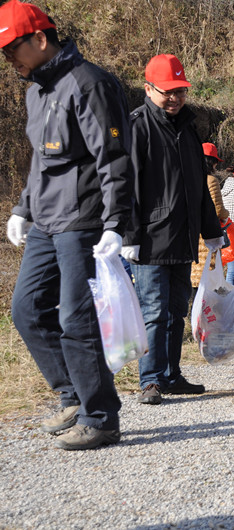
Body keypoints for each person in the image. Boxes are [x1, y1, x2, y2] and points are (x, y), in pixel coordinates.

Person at [3, 0, 132, 450]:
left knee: (76, 318)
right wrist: (22, 208)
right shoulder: (35, 91)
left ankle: (101, 417)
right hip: (45, 219)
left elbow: (113, 158)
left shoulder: (89, 83)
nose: (9, 60)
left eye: (12, 49)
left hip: (83, 218)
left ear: (40, 39)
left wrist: (116, 224)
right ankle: (73, 396)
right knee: (26, 308)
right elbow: (41, 162)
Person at [121, 54, 225, 405]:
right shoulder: (137, 127)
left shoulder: (188, 130)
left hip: (183, 237)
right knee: (153, 312)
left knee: (176, 311)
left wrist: (211, 230)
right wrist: (130, 235)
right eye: (167, 91)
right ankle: (150, 379)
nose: (175, 98)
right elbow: (126, 186)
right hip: (149, 240)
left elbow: (200, 187)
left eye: (180, 91)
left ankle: (170, 375)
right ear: (148, 89)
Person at [190, 143, 230, 291]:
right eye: (215, 162)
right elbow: (218, 210)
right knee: (206, 275)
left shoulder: (187, 177)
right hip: (207, 235)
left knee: (192, 275)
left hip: (189, 233)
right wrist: (226, 215)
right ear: (211, 162)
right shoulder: (210, 180)